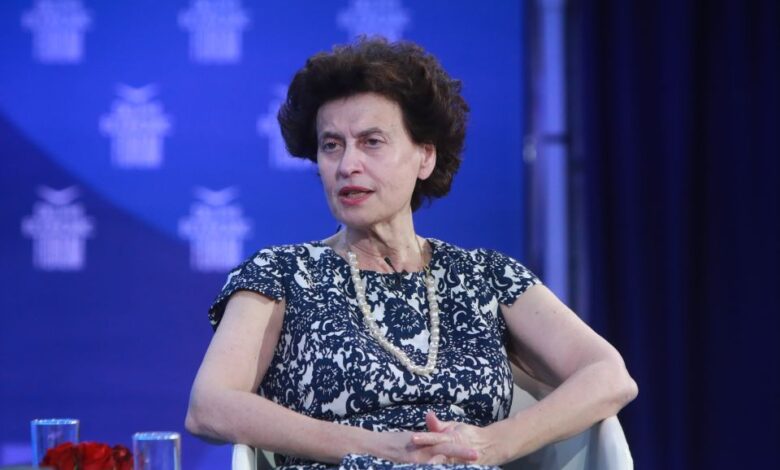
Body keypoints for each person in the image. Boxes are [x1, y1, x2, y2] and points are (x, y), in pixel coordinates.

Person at [185, 37, 637, 469]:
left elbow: (608, 374)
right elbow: (209, 406)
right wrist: (379, 449)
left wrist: (492, 444)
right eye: (331, 145)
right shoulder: (280, 273)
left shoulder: (485, 276)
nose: (347, 165)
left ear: (425, 157)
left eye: (371, 142)